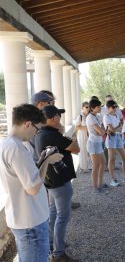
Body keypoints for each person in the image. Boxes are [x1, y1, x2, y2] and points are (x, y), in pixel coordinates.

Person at [0, 104, 63, 262]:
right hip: (31, 221)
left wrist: (42, 161)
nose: (36, 133)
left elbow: (25, 179)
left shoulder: (6, 144)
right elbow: (33, 188)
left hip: (22, 217)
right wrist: (48, 161)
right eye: (37, 128)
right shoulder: (17, 149)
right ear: (27, 124)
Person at [35, 105, 80, 261]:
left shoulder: (41, 133)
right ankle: (58, 254)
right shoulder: (51, 134)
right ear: (52, 118)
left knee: (54, 213)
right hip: (60, 181)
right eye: (58, 116)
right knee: (63, 216)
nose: (60, 119)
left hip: (51, 181)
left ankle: (52, 243)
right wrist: (72, 139)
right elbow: (76, 149)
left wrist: (61, 133)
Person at [103, 100, 125, 186]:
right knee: (111, 159)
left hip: (117, 137)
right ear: (109, 108)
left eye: (116, 106)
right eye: (114, 107)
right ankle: (113, 180)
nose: (115, 108)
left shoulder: (116, 115)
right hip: (111, 138)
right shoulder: (106, 117)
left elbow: (118, 126)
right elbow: (113, 129)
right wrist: (117, 127)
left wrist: (116, 128)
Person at [86, 99, 106, 193]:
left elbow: (102, 130)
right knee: (96, 165)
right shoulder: (90, 117)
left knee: (103, 163)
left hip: (98, 142)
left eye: (100, 106)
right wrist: (102, 132)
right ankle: (95, 187)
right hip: (93, 143)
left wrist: (101, 132)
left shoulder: (97, 116)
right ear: (92, 108)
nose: (100, 108)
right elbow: (101, 131)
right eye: (98, 106)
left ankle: (100, 184)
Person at [74, 101, 92, 172]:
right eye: (86, 107)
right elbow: (77, 127)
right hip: (82, 136)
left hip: (90, 135)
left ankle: (91, 165)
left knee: (90, 150)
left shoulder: (91, 116)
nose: (88, 108)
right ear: (82, 108)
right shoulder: (80, 116)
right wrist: (87, 127)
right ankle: (83, 167)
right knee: (83, 151)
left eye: (89, 107)